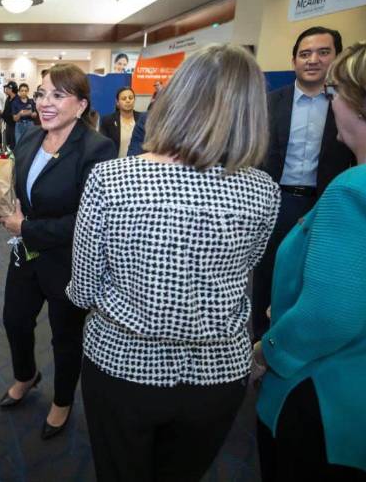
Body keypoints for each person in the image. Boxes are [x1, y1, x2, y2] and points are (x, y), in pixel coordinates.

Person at [67, 44, 280, 482]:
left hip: (122, 366)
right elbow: (248, 269)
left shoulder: (112, 180)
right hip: (219, 377)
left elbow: (84, 290)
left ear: (176, 98)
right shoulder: (264, 191)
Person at [255, 35, 366, 481]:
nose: (331, 105)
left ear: (360, 101)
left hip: (331, 400)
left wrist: (269, 348)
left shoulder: (355, 192)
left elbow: (330, 316)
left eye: (335, 94)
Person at [0, 63, 115, 440]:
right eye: (41, 93)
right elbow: (15, 193)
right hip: (25, 254)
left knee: (65, 336)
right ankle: (26, 376)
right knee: (15, 320)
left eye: (57, 95)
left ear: (81, 105)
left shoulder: (97, 150)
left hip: (68, 262)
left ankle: (63, 400)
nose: (45, 103)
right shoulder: (31, 138)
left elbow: (87, 220)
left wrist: (27, 228)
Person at [253, 27, 355, 341]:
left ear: (336, 58)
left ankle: (300, 340)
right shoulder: (270, 103)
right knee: (268, 273)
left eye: (323, 52)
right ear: (294, 60)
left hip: (325, 203)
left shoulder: (350, 107)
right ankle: (259, 339)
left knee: (314, 275)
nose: (313, 60)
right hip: (276, 201)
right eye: (305, 53)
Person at [99, 86, 141, 157]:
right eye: (124, 99)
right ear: (117, 102)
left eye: (131, 98)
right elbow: (104, 147)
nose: (128, 101)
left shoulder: (142, 119)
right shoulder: (108, 121)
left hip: (137, 164)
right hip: (116, 164)